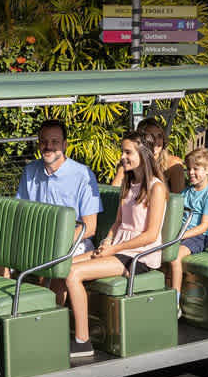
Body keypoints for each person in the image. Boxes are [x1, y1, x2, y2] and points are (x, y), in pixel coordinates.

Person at [64, 131, 168, 358]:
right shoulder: (129, 183)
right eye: (123, 151)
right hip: (119, 249)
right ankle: (69, 328)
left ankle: (82, 341)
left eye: (128, 152)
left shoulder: (156, 188)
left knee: (72, 273)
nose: (122, 156)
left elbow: (150, 235)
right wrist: (107, 241)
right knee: (64, 265)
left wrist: (115, 249)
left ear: (143, 153)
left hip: (139, 256)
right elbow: (118, 222)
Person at [6, 120, 102, 297]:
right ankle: (9, 305)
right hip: (37, 238)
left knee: (55, 262)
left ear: (64, 145)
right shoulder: (30, 171)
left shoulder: (82, 175)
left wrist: (54, 243)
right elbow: (19, 212)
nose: (48, 146)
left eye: (55, 142)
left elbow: (90, 226)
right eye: (44, 141)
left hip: (73, 241)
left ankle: (51, 314)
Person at [169, 148, 208, 301]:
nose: (190, 172)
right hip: (181, 233)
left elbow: (204, 226)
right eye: (189, 169)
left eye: (195, 169)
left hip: (198, 237)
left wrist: (181, 235)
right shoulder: (187, 191)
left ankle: (174, 299)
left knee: (174, 256)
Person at [111, 117, 185, 193]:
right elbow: (113, 192)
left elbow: (178, 199)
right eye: (151, 136)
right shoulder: (131, 163)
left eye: (159, 136)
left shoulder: (173, 164)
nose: (156, 141)